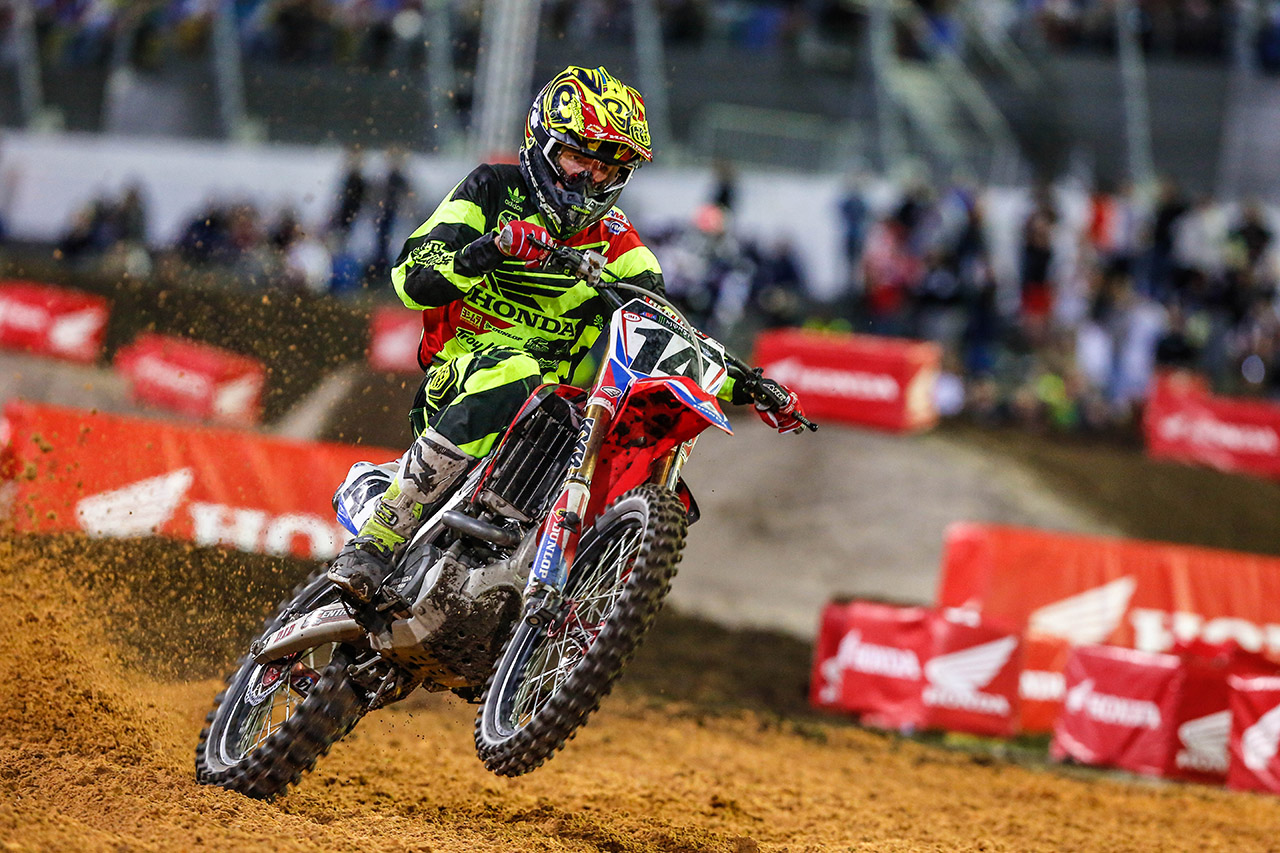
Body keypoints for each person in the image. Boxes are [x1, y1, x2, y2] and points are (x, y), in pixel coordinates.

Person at [327, 65, 806, 606]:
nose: (589, 180)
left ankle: (568, 613)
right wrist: (491, 249)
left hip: (561, 415)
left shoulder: (622, 245)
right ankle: (379, 538)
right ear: (543, 146)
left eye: (607, 169)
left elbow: (668, 329)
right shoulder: (493, 188)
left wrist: (749, 384)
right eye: (579, 158)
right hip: (463, 381)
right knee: (514, 372)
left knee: (629, 432)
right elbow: (413, 277)